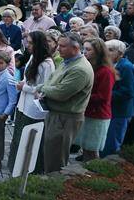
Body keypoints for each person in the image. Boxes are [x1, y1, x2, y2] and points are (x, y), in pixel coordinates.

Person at [36, 32, 94, 173]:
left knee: (56, 158)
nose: (58, 48)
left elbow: (60, 93)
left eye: (62, 46)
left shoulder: (80, 69)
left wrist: (42, 88)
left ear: (75, 48)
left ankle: (53, 188)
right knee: (50, 153)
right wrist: (47, 88)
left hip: (65, 118)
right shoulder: (67, 61)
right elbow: (52, 79)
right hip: (56, 115)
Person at [7, 31, 54, 173]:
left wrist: (25, 87)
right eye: (27, 42)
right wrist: (22, 82)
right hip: (22, 104)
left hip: (33, 108)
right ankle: (16, 167)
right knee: (19, 137)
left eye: (31, 43)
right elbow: (28, 77)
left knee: (30, 140)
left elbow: (45, 87)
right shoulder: (33, 57)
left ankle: (30, 170)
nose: (27, 45)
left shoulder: (47, 63)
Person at [73, 38, 115, 162]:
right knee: (86, 148)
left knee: (92, 150)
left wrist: (80, 96)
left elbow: (103, 97)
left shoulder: (105, 71)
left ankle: (94, 174)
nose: (84, 52)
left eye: (88, 49)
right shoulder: (89, 66)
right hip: (87, 111)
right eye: (83, 49)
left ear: (98, 51)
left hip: (98, 115)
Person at [101, 40, 134, 156]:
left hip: (120, 111)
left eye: (111, 50)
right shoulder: (108, 64)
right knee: (104, 140)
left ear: (120, 53)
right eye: (106, 50)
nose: (107, 53)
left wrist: (106, 94)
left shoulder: (126, 67)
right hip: (109, 109)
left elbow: (128, 92)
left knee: (112, 142)